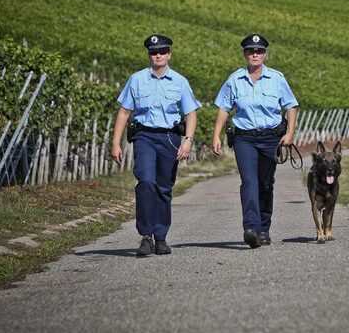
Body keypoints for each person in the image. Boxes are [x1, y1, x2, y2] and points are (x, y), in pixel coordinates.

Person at [111, 34, 201, 256]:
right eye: (153, 52)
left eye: (162, 51)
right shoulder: (136, 79)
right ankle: (146, 235)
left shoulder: (180, 82)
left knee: (163, 188)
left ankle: (161, 238)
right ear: (149, 55)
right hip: (144, 137)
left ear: (169, 54)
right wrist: (115, 142)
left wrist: (188, 140)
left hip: (169, 139)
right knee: (146, 182)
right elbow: (124, 112)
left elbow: (190, 113)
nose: (157, 55)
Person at [212, 34, 298, 249]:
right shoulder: (234, 79)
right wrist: (216, 135)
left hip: (270, 139)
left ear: (265, 55)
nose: (254, 54)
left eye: (258, 51)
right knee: (249, 182)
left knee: (266, 184)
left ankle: (264, 228)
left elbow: (291, 106)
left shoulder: (277, 78)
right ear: (244, 54)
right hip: (244, 139)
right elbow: (223, 108)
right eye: (250, 51)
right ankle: (251, 228)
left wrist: (290, 133)